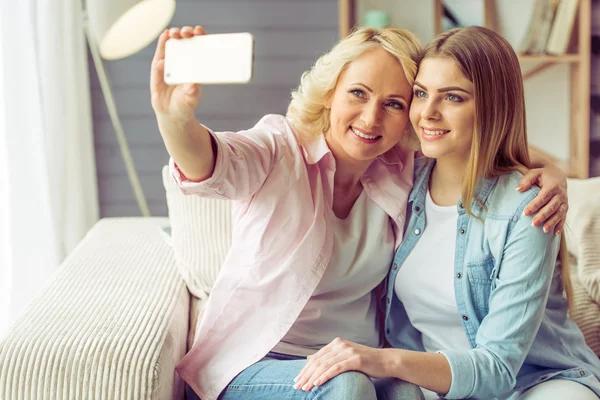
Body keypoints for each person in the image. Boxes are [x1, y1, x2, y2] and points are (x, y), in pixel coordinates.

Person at [150, 25, 569, 400]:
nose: (371, 118)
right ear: (330, 91)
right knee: (347, 387)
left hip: (362, 364)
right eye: (358, 93)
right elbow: (212, 163)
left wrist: (552, 173)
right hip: (260, 364)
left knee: (405, 392)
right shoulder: (278, 150)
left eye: (394, 103)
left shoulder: (401, 168)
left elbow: (473, 140)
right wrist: (174, 121)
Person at [293, 26, 600, 400]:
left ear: (493, 105)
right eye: (421, 94)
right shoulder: (399, 178)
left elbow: (498, 368)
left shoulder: (528, 208)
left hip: (535, 383)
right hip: (430, 385)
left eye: (453, 97)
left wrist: (383, 361)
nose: (428, 113)